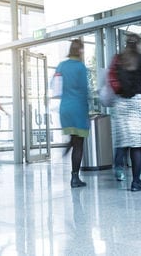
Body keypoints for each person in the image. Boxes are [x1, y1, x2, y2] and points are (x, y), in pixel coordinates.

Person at [111, 34, 141, 191]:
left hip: (121, 104)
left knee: (124, 143)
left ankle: (119, 170)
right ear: (138, 44)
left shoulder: (118, 58)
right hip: (137, 102)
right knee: (137, 146)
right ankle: (136, 181)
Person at [56, 39, 90, 188]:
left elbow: (56, 88)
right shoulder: (80, 67)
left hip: (64, 108)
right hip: (78, 108)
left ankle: (68, 144)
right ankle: (75, 178)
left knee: (74, 138)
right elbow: (84, 90)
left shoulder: (61, 65)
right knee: (79, 144)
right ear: (80, 51)